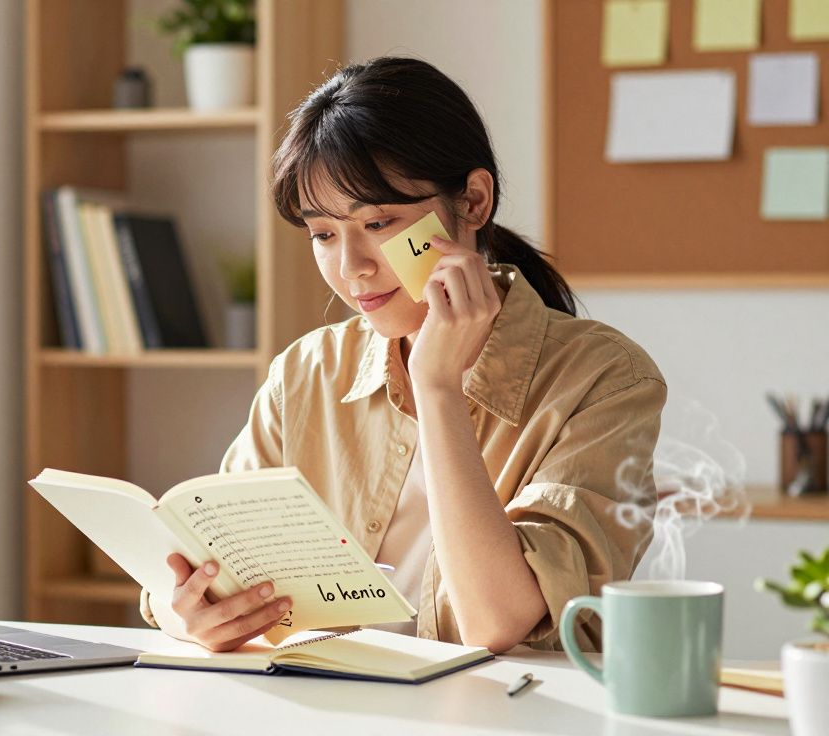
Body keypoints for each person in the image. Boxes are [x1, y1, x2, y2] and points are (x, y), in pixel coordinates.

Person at [138, 57, 666, 654]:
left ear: (472, 202)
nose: (352, 267)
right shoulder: (307, 373)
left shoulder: (605, 380)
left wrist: (437, 388)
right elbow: (195, 562)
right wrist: (183, 611)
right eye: (323, 234)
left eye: (381, 222)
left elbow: (497, 623)